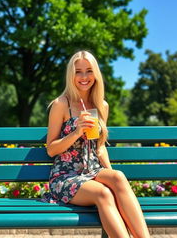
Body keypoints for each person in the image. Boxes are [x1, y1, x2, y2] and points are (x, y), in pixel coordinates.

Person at [46, 50, 150, 238]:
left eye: (89, 71)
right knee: (103, 193)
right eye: (78, 71)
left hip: (93, 171)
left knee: (118, 177)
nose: (84, 77)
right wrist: (76, 132)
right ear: (71, 75)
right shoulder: (61, 104)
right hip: (66, 177)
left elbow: (99, 147)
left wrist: (112, 179)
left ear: (96, 73)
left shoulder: (101, 105)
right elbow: (51, 149)